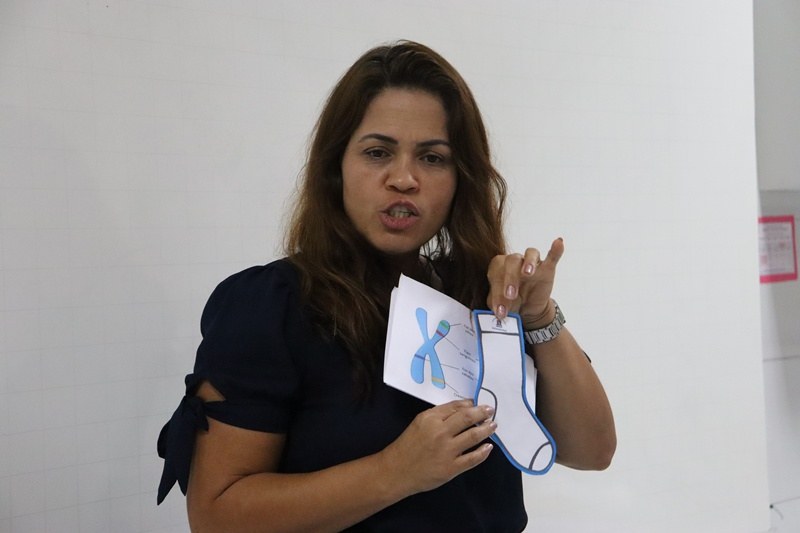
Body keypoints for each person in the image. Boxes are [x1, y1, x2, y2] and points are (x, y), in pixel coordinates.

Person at [156, 40, 615, 532]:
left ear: (461, 178)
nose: (404, 179)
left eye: (432, 158)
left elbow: (592, 451)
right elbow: (216, 517)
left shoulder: (478, 297)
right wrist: (393, 473)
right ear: (335, 167)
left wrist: (540, 318)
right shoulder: (270, 306)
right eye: (378, 153)